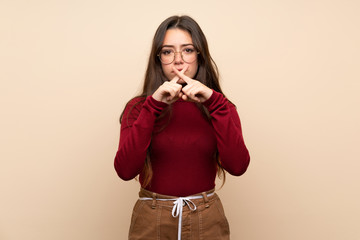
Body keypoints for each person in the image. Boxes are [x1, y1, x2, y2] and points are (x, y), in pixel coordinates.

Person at [114, 15, 250, 240]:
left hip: (206, 218)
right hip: (151, 217)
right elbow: (125, 170)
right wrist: (152, 107)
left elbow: (238, 166)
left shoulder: (220, 106)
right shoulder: (139, 107)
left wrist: (215, 103)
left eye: (187, 50)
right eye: (167, 52)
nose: (178, 60)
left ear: (200, 55)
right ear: (158, 59)